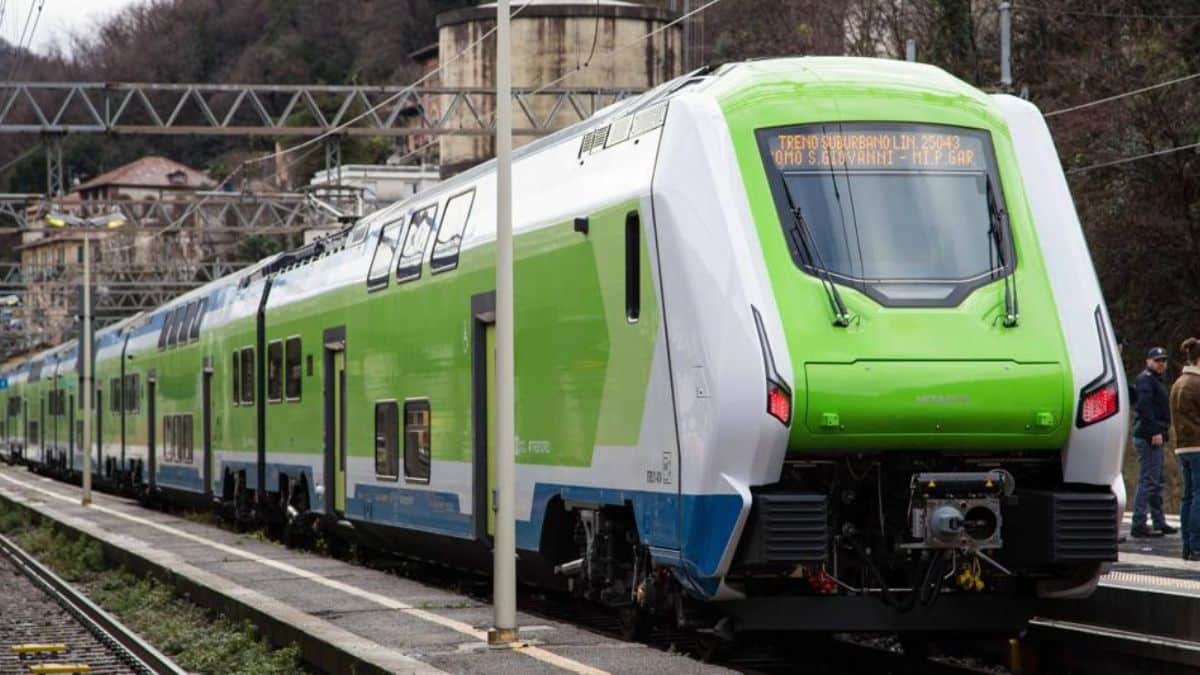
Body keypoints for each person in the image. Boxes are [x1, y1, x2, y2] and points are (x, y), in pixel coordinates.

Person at [1132, 346, 1179, 538]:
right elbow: (1144, 407)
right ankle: (1139, 523)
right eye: (1157, 360)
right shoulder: (1145, 380)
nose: (1161, 364)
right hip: (1148, 435)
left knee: (1156, 481)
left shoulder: (1154, 380)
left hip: (1152, 434)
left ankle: (1158, 521)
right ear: (1148, 362)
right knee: (1149, 481)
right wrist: (1154, 431)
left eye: (1164, 361)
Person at [1169, 338, 1200, 560]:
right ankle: (1197, 545)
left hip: (1182, 447)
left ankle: (1187, 546)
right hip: (1199, 447)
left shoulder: (1178, 383)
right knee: (1199, 495)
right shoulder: (1197, 384)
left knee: (1188, 496)